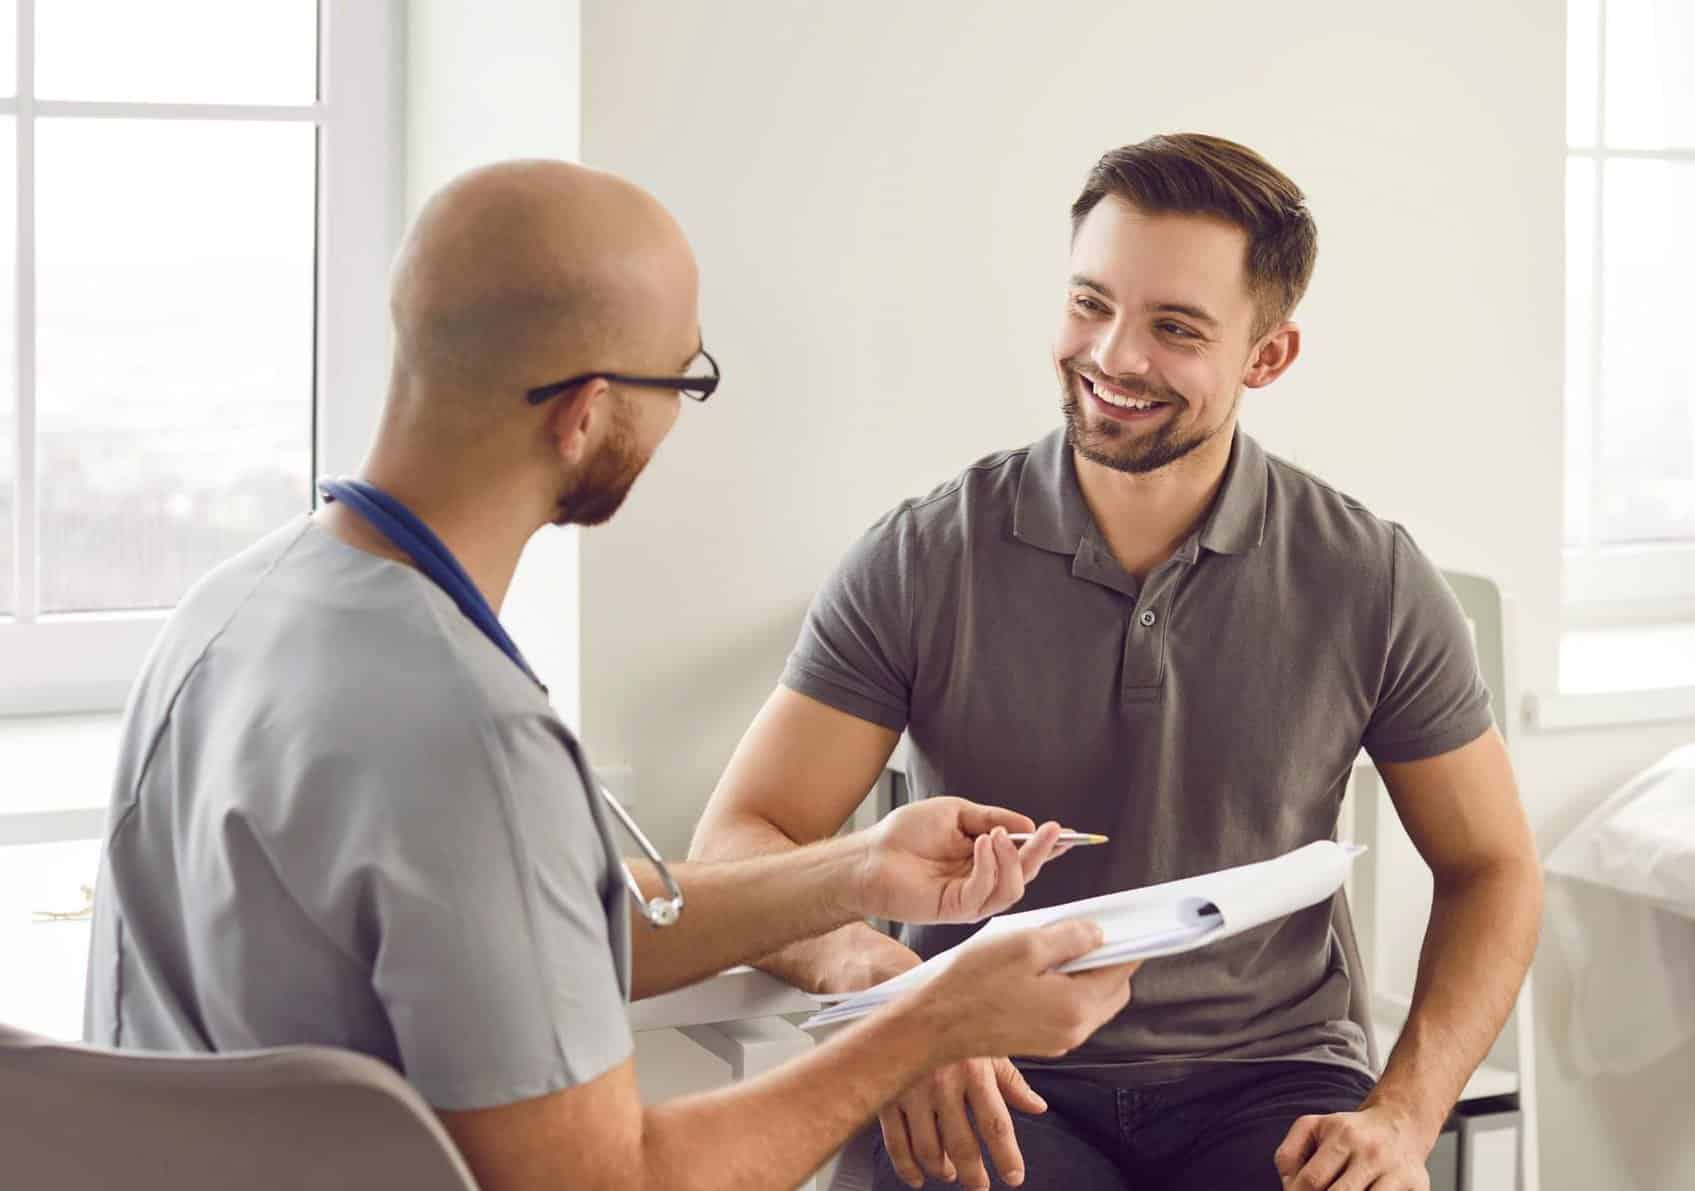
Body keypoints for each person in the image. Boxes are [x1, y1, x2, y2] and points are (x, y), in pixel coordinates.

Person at [83, 159, 1140, 1191]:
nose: (681, 413)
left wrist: (856, 871)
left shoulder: (231, 607)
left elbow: (530, 929)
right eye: (685, 381)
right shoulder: (469, 736)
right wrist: (931, 1023)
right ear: (583, 413)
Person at [691, 133, 1544, 1191]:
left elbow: (1493, 869)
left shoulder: (1369, 576)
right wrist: (886, 986)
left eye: (1174, 327)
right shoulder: (922, 556)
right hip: (981, 1058)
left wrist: (1406, 1116)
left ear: (1266, 356)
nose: (1114, 356)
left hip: (1270, 1079)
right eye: (1091, 304)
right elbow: (737, 843)